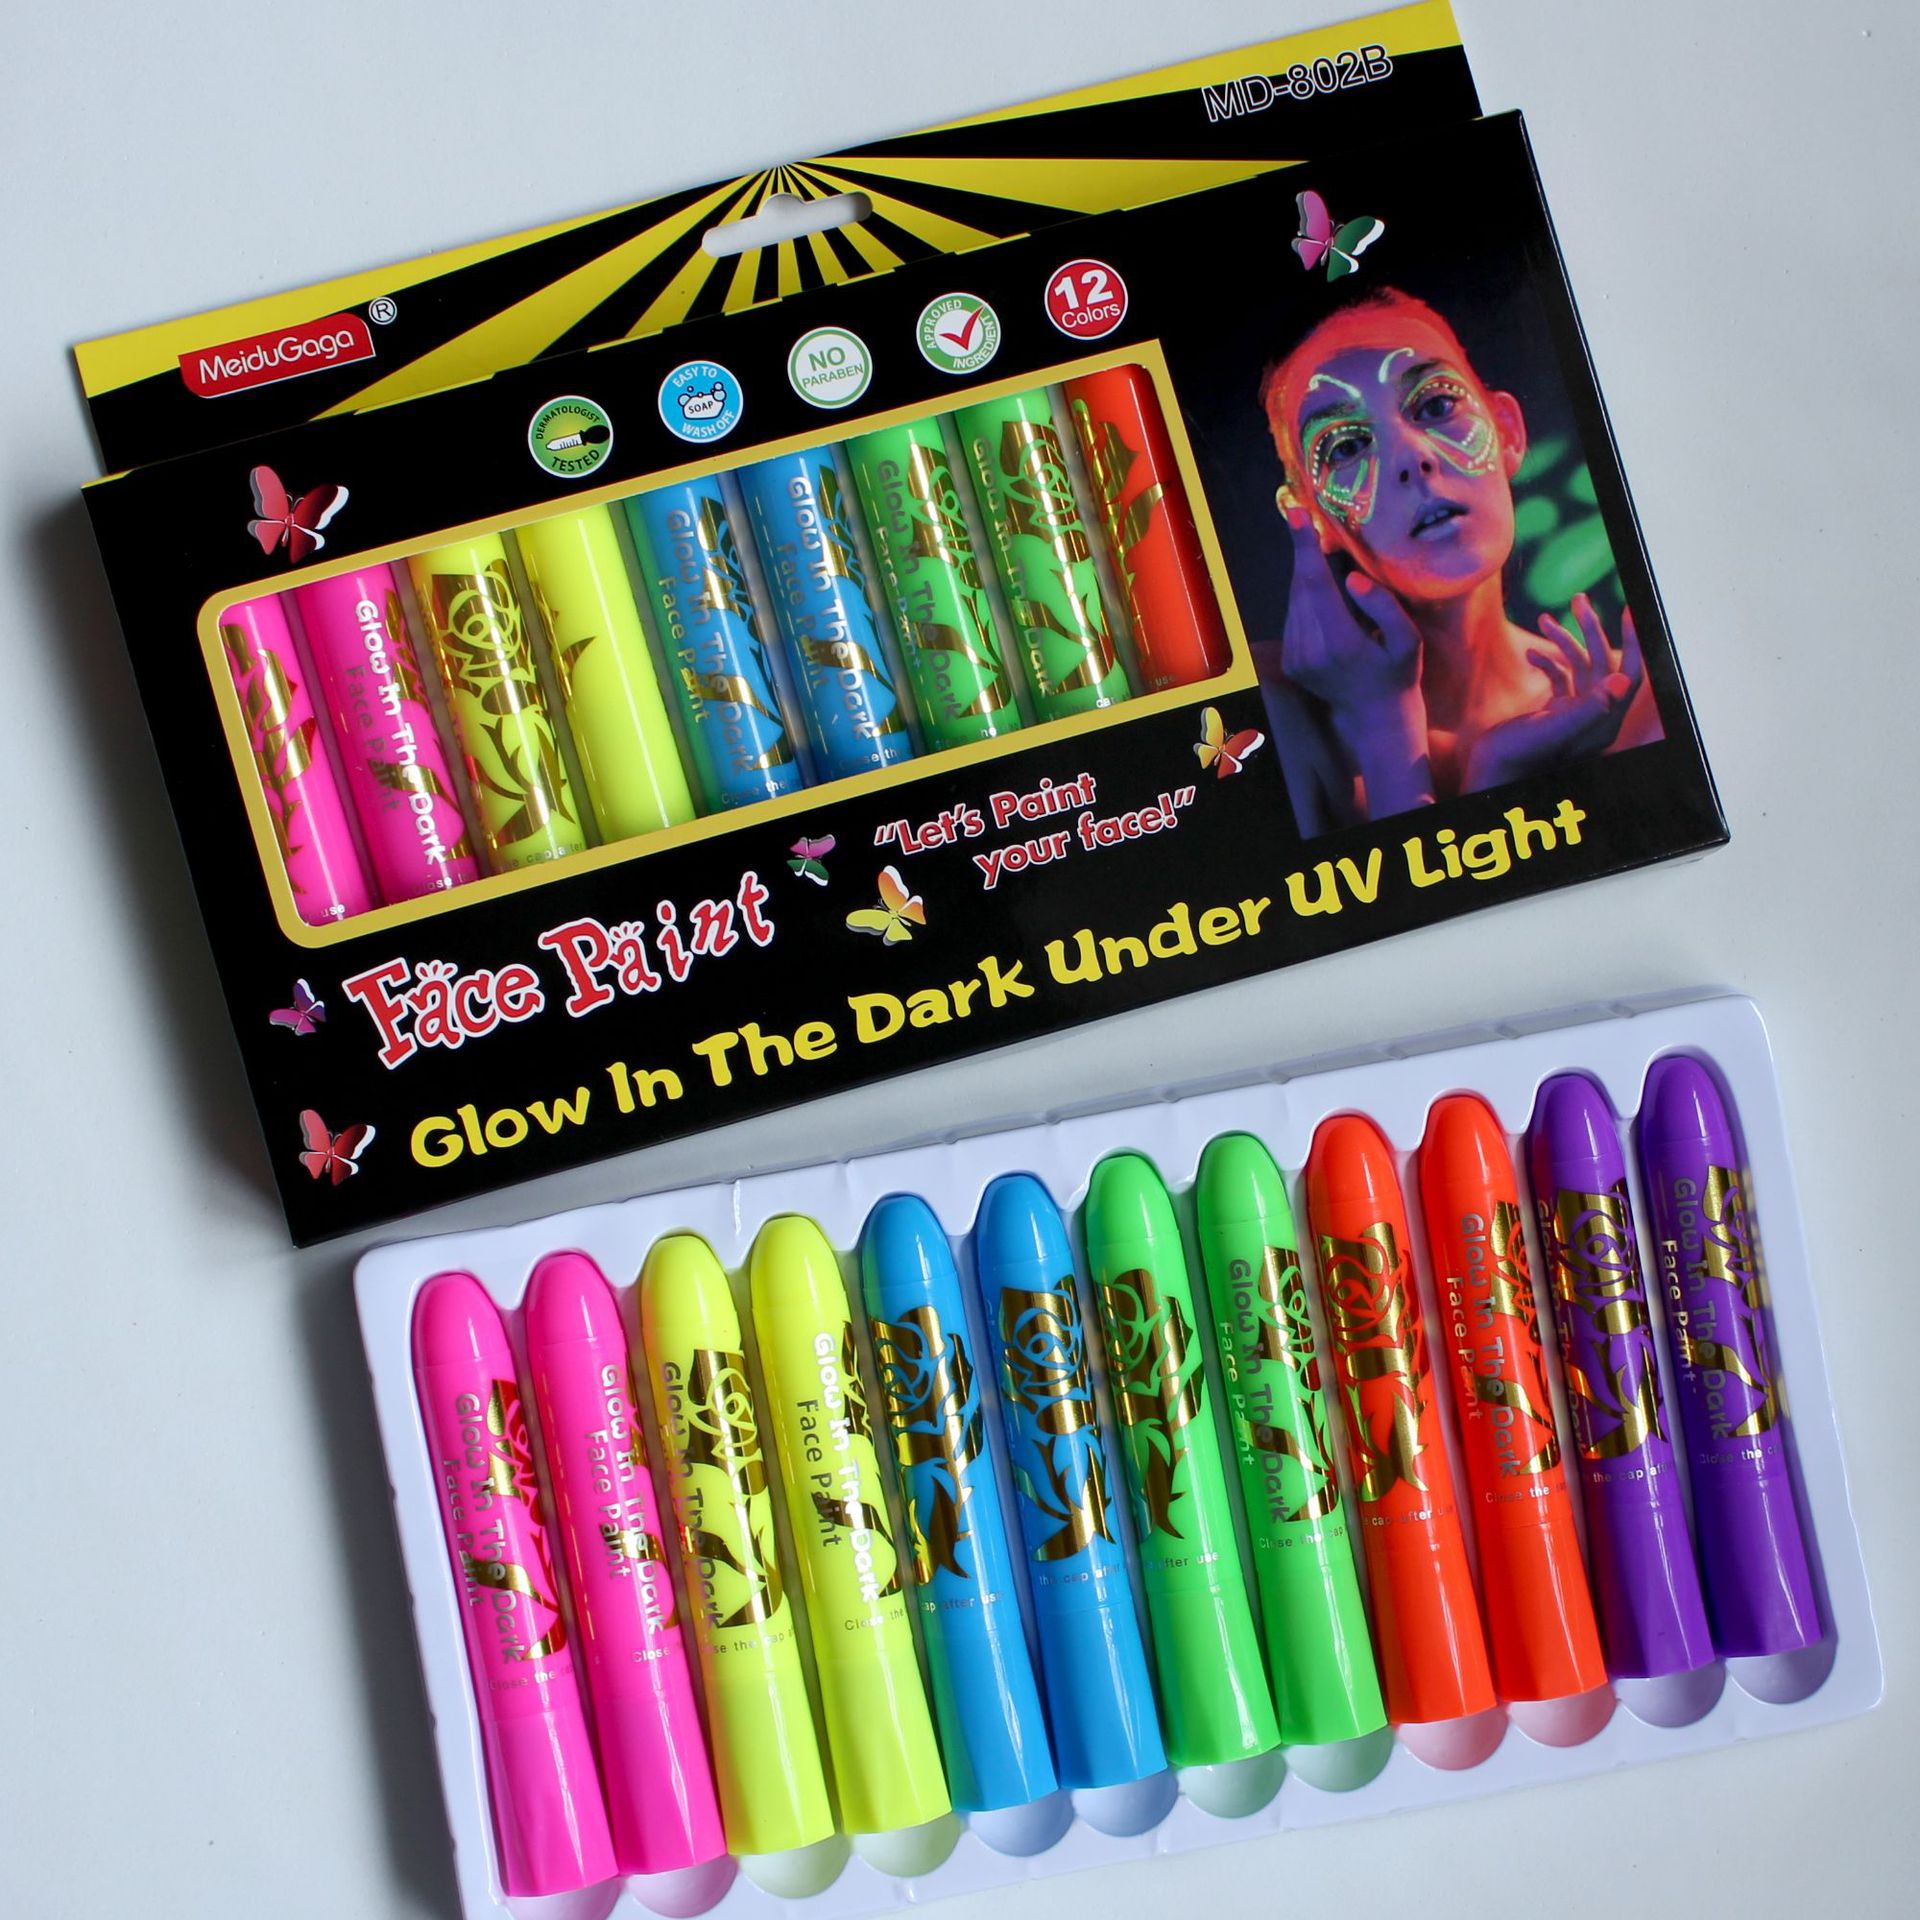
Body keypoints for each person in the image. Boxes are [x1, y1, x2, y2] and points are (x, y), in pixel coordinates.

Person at [1253, 286, 1659, 832]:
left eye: (1435, 405)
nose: (1411, 456)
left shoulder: (1631, 701)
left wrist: (1495, 772)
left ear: (1507, 431)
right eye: (1345, 446)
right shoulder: (1266, 718)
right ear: (1309, 515)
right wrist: (1386, 725)